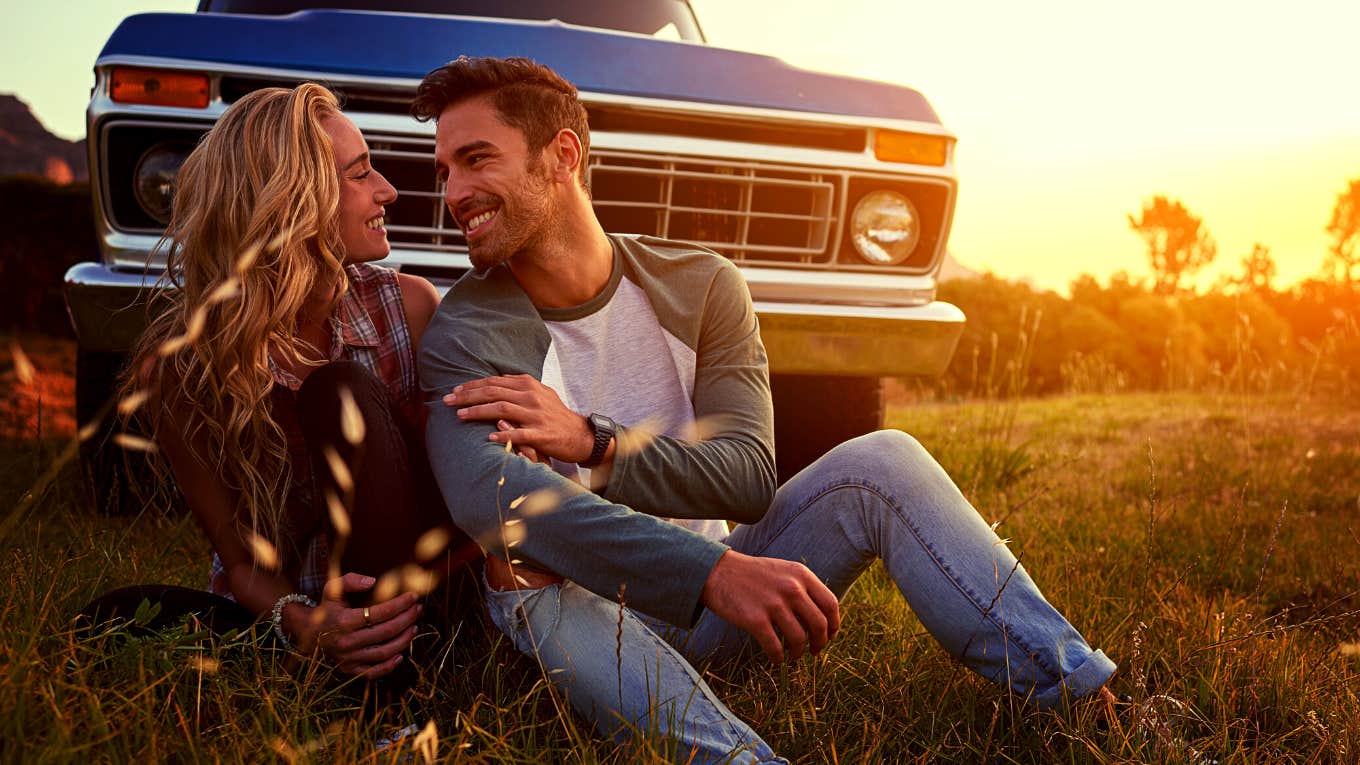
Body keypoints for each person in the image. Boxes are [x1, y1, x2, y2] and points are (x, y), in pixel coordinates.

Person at [413, 57, 1117, 763]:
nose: (456, 191)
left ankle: (1086, 701)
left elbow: (746, 475)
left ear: (563, 154)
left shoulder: (703, 285)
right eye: (445, 169)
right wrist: (709, 572)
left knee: (883, 458)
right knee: (520, 565)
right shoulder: (466, 332)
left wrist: (595, 441)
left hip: (724, 604)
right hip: (583, 621)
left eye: (476, 160)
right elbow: (495, 500)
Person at [93, 84, 479, 700]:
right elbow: (239, 562)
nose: (387, 190)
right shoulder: (185, 371)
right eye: (360, 174)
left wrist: (387, 613)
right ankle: (320, 669)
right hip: (296, 614)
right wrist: (302, 622)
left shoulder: (409, 309)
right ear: (293, 207)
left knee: (342, 392)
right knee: (108, 620)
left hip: (414, 605)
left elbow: (465, 497)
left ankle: (383, 698)